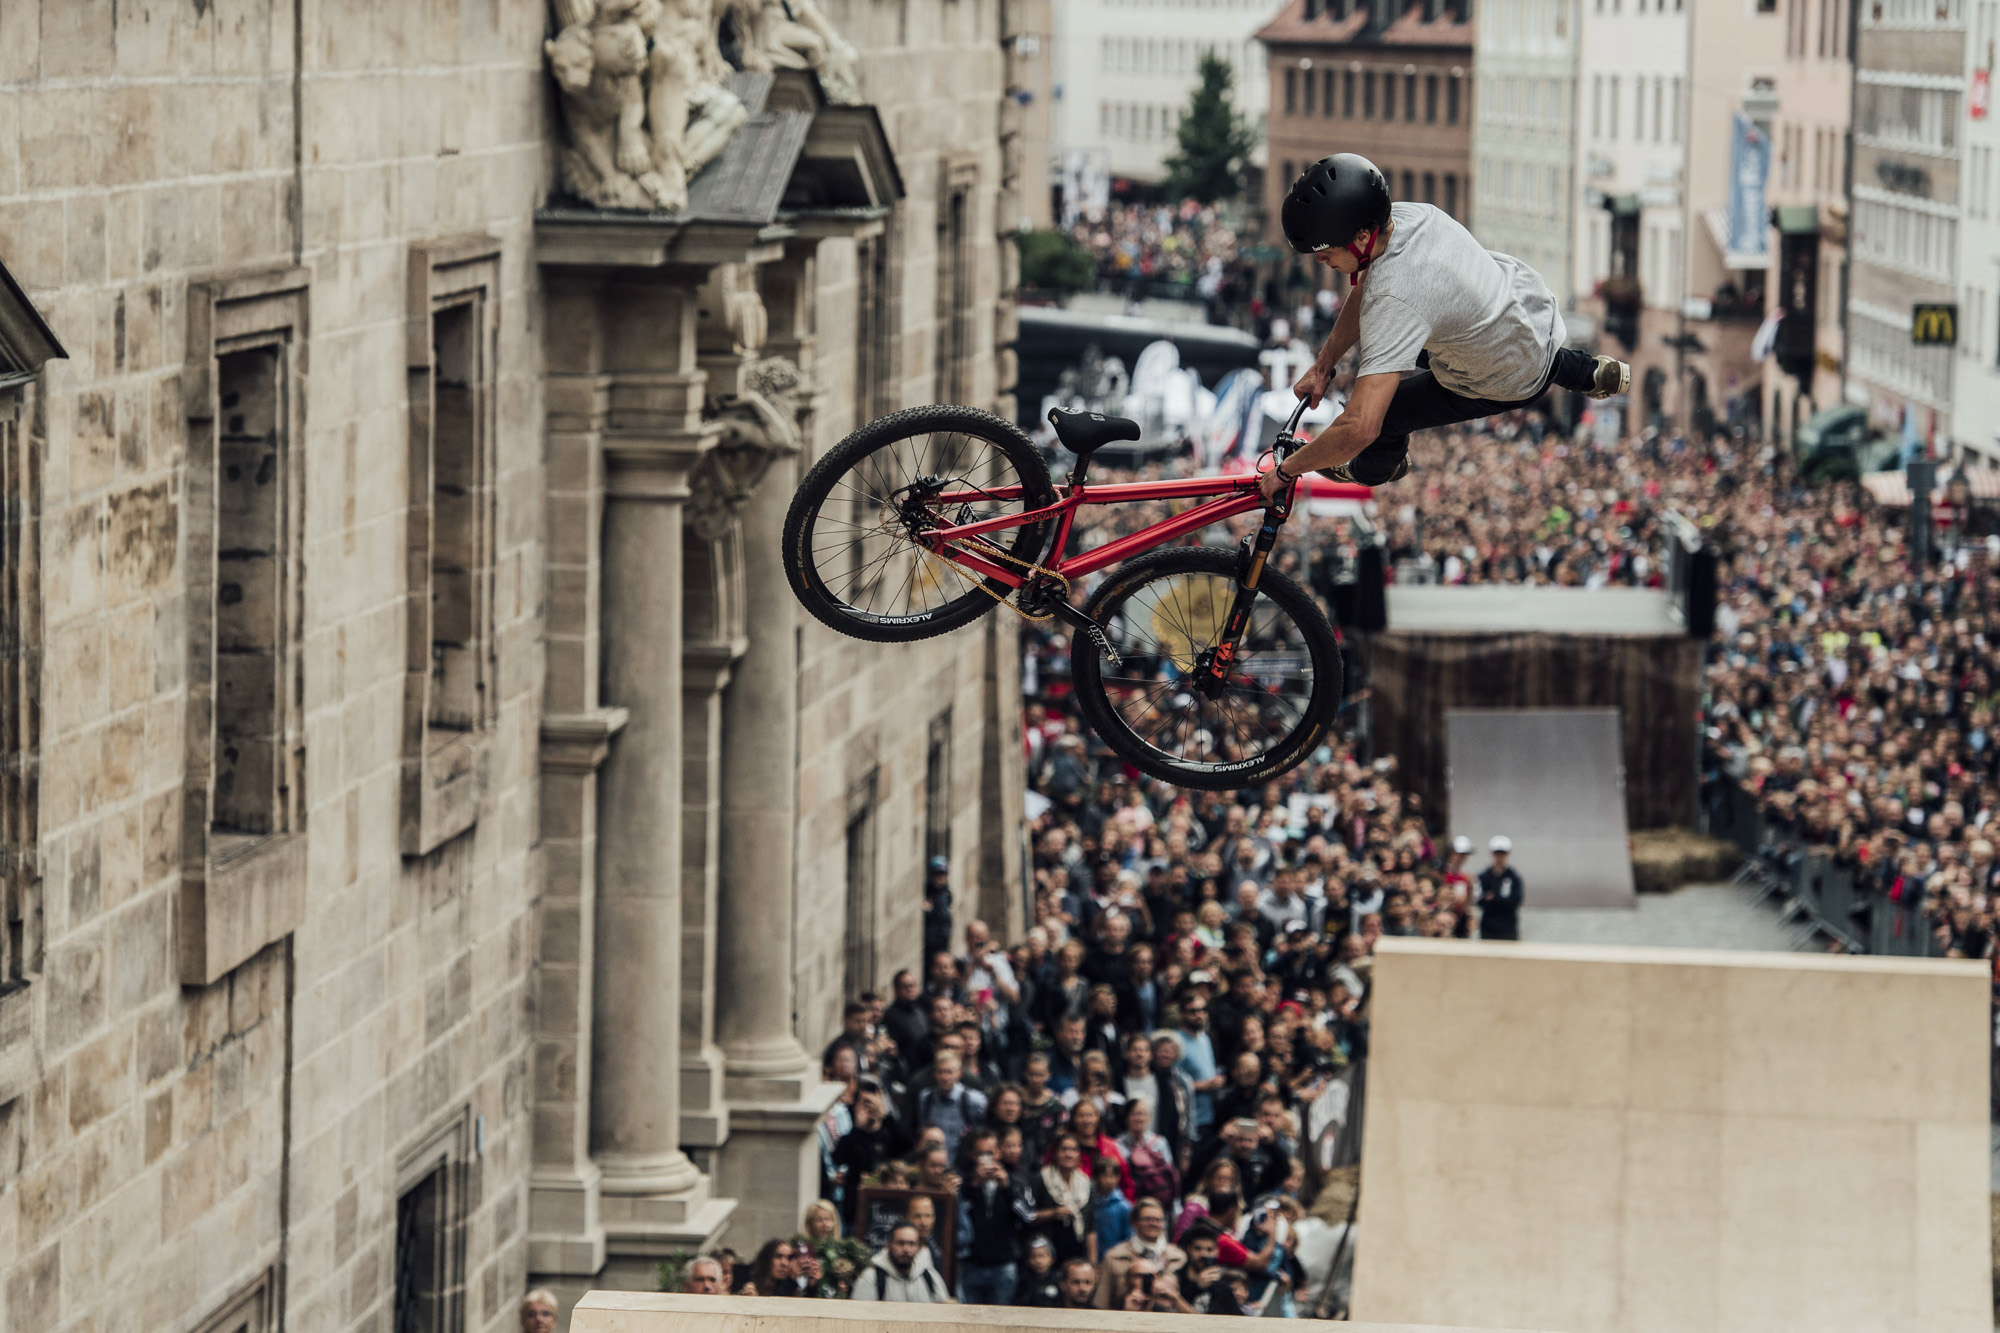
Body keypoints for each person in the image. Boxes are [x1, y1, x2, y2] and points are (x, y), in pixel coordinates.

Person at [1257, 153, 1628, 500]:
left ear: (1360, 238)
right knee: (1397, 343)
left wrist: (1287, 472)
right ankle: (1590, 372)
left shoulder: (1398, 297)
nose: (1320, 260)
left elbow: (1360, 427)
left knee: (1385, 415)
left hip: (1505, 379)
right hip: (1527, 317)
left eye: (1325, 251)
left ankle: (1377, 466)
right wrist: (1322, 367)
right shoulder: (1408, 217)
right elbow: (1369, 294)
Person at [959, 1131, 1033, 1305]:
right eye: (981, 1154)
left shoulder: (1016, 1182)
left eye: (990, 1153)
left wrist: (1007, 1189)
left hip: (1003, 1267)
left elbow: (1029, 1217)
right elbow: (956, 1216)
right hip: (971, 1265)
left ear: (999, 1153)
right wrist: (974, 1187)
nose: (986, 1159)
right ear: (972, 1155)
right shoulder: (964, 1184)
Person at [1091, 1197, 1188, 1309]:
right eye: (1147, 1219)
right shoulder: (1114, 1256)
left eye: (1158, 1219)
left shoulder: (1179, 1257)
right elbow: (1102, 1303)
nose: (1153, 1223)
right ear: (1134, 1222)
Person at [850, 1222, 952, 1303]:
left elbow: (944, 1311)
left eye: (912, 1244)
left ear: (918, 1247)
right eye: (900, 1243)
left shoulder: (930, 1275)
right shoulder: (871, 1277)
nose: (906, 1249)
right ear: (888, 1245)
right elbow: (859, 1317)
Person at [1477, 835, 1525, 940]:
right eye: (1497, 854)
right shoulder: (1484, 876)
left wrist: (1494, 898)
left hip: (1508, 927)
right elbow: (1480, 901)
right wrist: (1500, 900)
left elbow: (1515, 901)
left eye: (1502, 854)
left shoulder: (1513, 877)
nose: (1499, 857)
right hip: (1488, 928)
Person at [1087, 1154, 1132, 1263]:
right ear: (1096, 1177)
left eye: (1113, 1176)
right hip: (1091, 1257)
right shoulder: (1089, 1203)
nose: (1109, 1180)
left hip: (1116, 1259)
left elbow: (1128, 1237)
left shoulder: (1124, 1206)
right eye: (1104, 1176)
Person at [1013, 1234, 1064, 1306]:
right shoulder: (1023, 1282)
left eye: (1042, 1256)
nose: (1038, 1261)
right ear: (1027, 1260)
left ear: (1052, 1259)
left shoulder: (1058, 1280)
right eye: (1033, 1257)